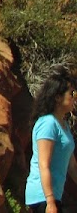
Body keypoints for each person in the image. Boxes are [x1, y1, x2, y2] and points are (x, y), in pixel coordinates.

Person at [26, 68, 77, 212]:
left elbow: (72, 166)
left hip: (54, 196)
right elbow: (43, 164)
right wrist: (49, 200)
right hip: (42, 196)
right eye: (71, 93)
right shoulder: (48, 123)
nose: (74, 97)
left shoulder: (64, 125)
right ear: (57, 97)